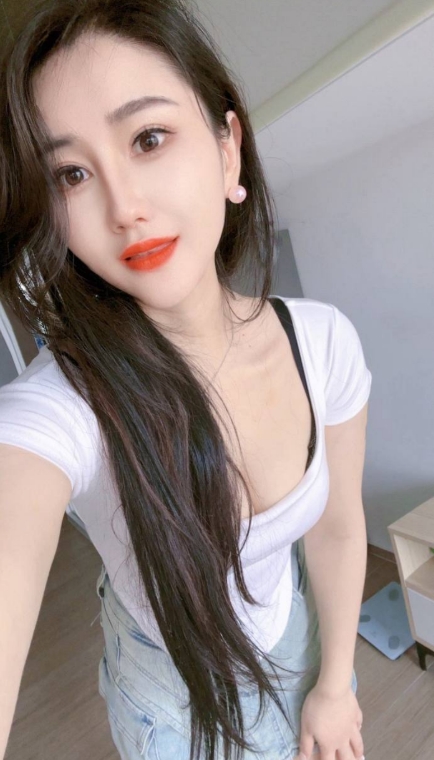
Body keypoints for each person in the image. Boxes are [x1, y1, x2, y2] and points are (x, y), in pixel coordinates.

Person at [0, 1, 372, 759]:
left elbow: (337, 528)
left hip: (299, 636)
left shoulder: (324, 343)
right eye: (71, 174)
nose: (124, 208)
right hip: (167, 701)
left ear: (228, 151)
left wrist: (336, 684)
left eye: (148, 138)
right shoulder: (62, 408)